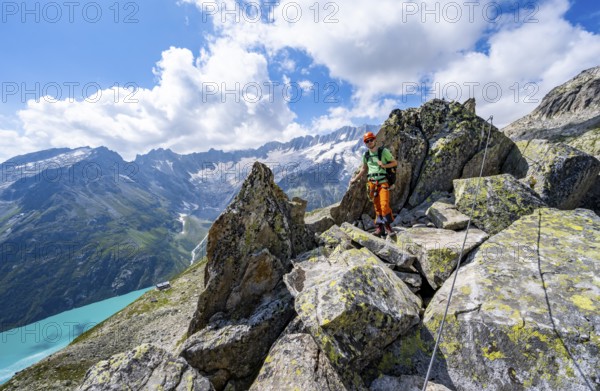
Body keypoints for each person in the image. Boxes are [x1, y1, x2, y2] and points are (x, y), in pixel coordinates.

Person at [350, 131, 398, 236]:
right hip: (372, 184)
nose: (369, 142)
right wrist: (355, 179)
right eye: (367, 141)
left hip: (383, 182)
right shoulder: (366, 155)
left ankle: (388, 228)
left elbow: (394, 163)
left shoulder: (383, 151)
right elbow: (363, 169)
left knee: (384, 204)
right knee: (377, 206)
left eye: (371, 140)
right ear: (365, 143)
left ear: (375, 140)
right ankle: (379, 228)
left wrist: (384, 166)